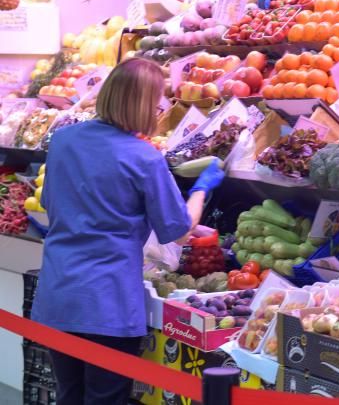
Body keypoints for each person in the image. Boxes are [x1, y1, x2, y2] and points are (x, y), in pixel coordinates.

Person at [30, 58, 225, 405]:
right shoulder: (143, 157)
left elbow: (50, 201)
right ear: (140, 105)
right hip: (108, 301)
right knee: (106, 398)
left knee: (70, 395)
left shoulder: (62, 141)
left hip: (59, 293)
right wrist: (201, 189)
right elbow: (179, 231)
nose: (158, 110)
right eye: (155, 103)